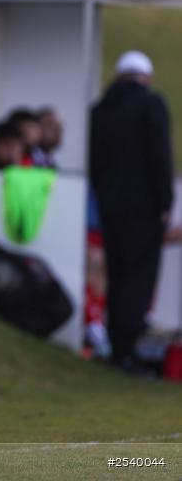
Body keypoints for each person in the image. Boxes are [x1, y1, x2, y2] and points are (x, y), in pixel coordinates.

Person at [89, 50, 173, 376]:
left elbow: (95, 163)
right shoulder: (151, 105)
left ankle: (115, 348)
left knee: (117, 275)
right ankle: (127, 352)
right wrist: (164, 202)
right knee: (138, 280)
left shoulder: (99, 110)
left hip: (109, 207)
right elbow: (159, 155)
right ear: (146, 77)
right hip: (143, 210)